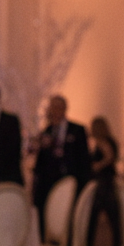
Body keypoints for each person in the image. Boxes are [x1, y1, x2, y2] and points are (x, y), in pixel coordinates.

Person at [31, 94, 90, 237]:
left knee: (69, 215)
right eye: (52, 108)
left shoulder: (77, 130)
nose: (54, 112)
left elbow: (83, 158)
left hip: (71, 178)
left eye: (57, 108)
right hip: (49, 181)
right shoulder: (46, 131)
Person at [85, 116, 122, 246]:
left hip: (103, 183)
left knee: (95, 217)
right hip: (107, 182)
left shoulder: (102, 142)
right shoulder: (109, 141)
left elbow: (109, 158)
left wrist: (96, 166)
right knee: (114, 219)